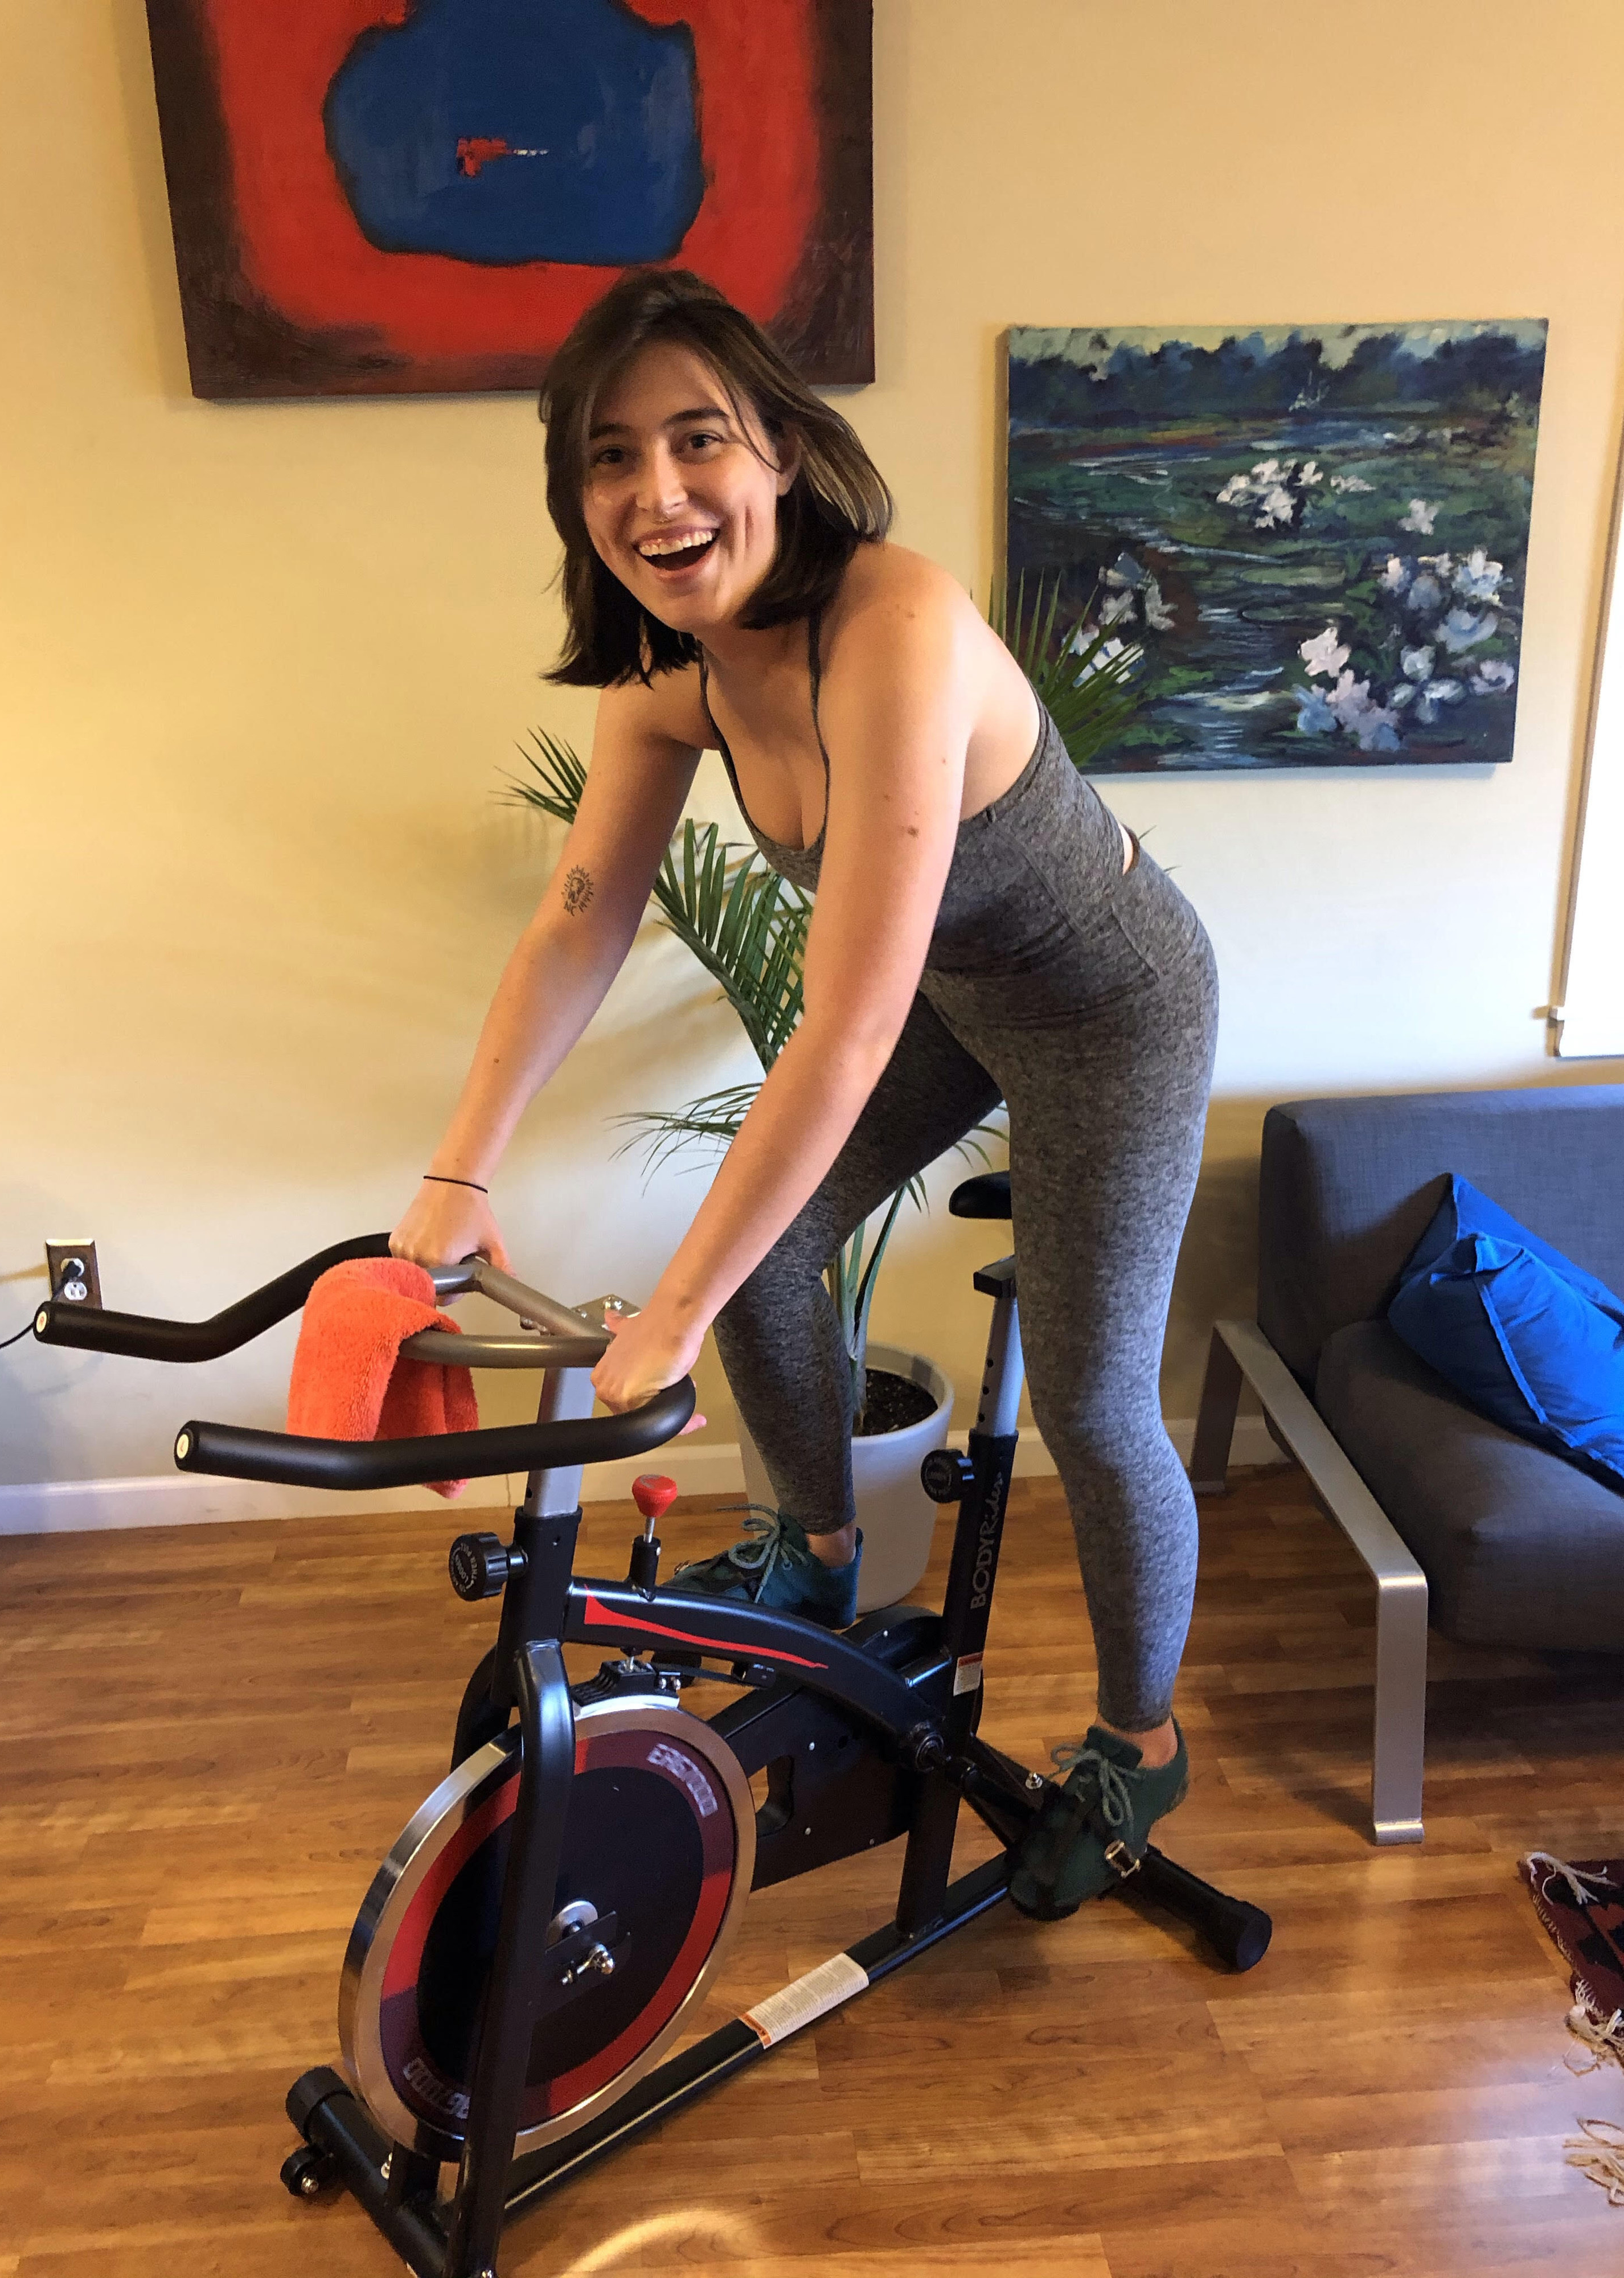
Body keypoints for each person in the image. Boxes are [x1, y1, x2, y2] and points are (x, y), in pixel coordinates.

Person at [392, 269, 1217, 1915]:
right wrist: (459, 1172)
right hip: (956, 997)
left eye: (701, 440)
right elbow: (581, 918)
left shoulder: (893, 624)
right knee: (777, 1249)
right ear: (577, 496)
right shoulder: (672, 671)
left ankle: (1140, 1738)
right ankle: (819, 1559)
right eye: (611, 458)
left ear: (781, 452)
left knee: (1097, 1398)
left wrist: (670, 1314)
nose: (659, 493)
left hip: (1113, 1005)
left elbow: (839, 1033)